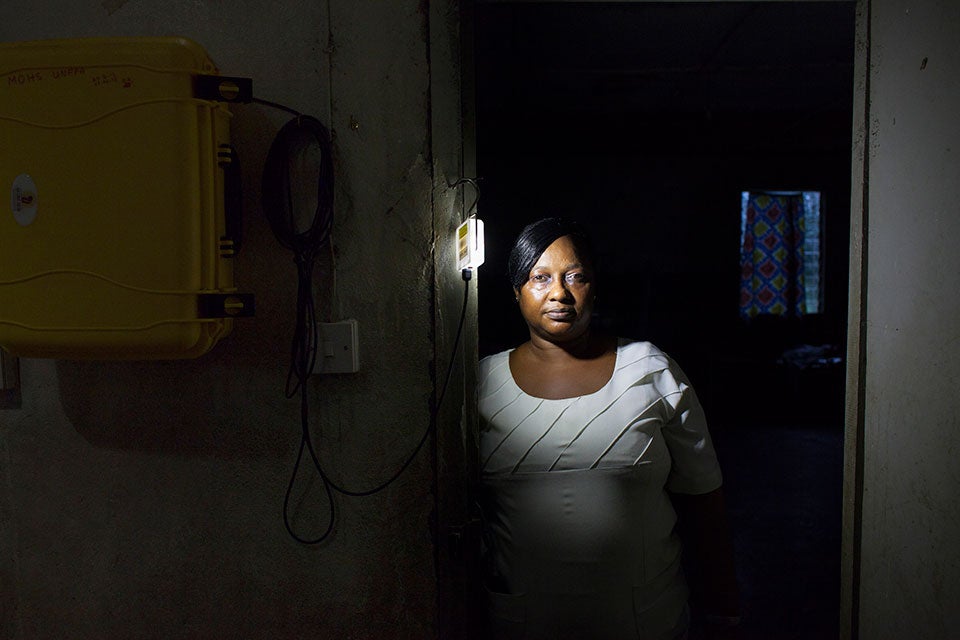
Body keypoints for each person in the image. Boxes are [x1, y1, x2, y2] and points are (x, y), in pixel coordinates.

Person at [477, 217, 740, 640]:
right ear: (515, 292)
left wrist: (725, 610)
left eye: (575, 277)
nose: (559, 292)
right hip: (523, 623)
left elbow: (704, 500)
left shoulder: (650, 370)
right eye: (539, 278)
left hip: (645, 621)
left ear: (594, 287)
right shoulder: (482, 385)